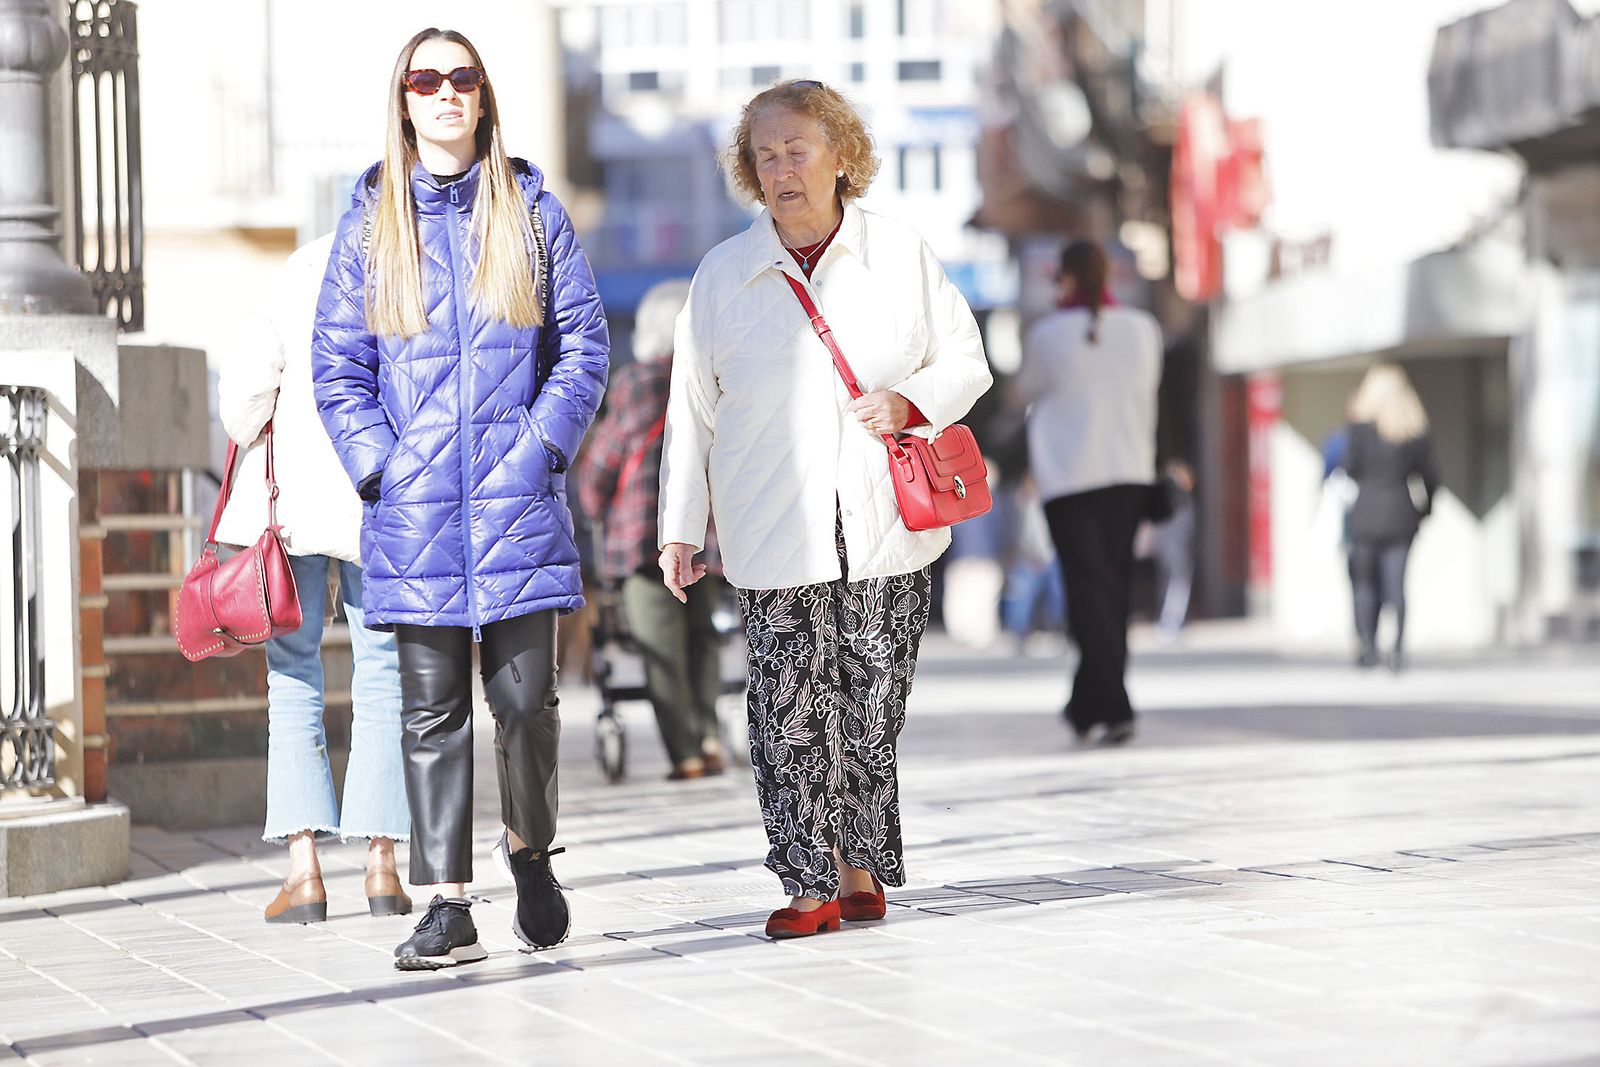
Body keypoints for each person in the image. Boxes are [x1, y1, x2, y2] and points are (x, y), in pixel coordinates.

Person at [658, 79, 992, 940]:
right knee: (788, 712)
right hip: (772, 529)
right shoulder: (723, 274)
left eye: (797, 149)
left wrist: (912, 400)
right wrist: (678, 526)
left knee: (872, 705)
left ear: (841, 156)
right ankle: (809, 881)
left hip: (885, 528)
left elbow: (967, 359)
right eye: (765, 155)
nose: (781, 169)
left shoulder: (899, 254)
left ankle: (859, 862)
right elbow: (690, 410)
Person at [312, 28, 608, 971]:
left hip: (517, 501)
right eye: (425, 78)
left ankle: (531, 853)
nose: (444, 92)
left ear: (483, 96)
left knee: (527, 704)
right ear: (402, 99)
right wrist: (382, 469)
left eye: (461, 78)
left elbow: (582, 350)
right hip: (416, 510)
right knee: (429, 714)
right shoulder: (371, 223)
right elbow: (338, 367)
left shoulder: (531, 212)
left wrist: (540, 451)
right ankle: (448, 903)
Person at [216, 235, 412, 926]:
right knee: (384, 672)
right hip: (378, 505)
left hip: (291, 513)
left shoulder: (295, 276)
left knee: (294, 676)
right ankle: (383, 865)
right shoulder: (404, 273)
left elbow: (242, 409)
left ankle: (304, 872)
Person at [578, 279, 728, 781]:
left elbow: (602, 466)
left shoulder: (636, 383)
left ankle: (684, 753)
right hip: (707, 536)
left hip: (644, 541)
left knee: (662, 649)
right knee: (702, 638)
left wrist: (594, 504)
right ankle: (708, 735)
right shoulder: (715, 379)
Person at [1018, 239, 1161, 746]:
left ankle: (1115, 704)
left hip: (1068, 480)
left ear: (1068, 279)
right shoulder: (1144, 330)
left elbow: (1020, 393)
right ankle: (1086, 704)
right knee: (1113, 592)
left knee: (1087, 594)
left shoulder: (1048, 335)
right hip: (1129, 475)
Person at [1343, 363, 1438, 671]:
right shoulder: (1413, 433)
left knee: (1364, 584)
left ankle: (1368, 647)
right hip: (1401, 514)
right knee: (1397, 586)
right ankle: (1397, 649)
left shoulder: (1360, 432)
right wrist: (1424, 510)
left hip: (1367, 514)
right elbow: (1430, 477)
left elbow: (1350, 469)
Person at [1152, 459, 1196, 640]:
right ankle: (1171, 620)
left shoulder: (1173, 497)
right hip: (1175, 547)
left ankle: (1170, 620)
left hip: (1172, 547)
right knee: (1176, 583)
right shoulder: (1178, 498)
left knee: (1171, 582)